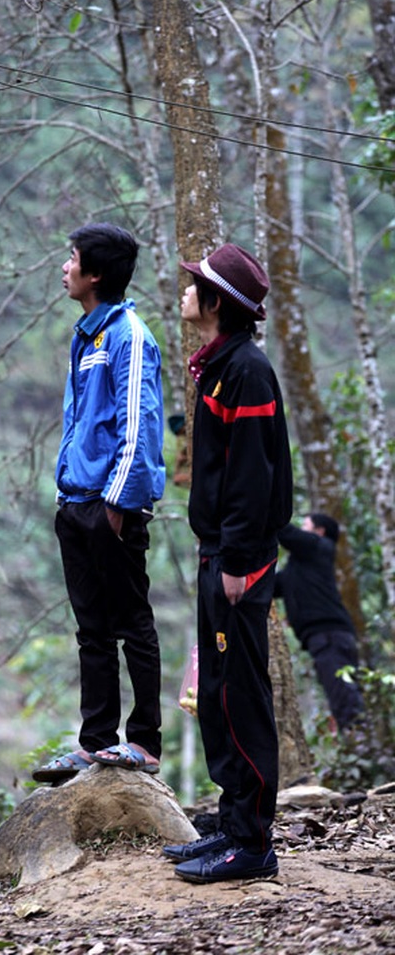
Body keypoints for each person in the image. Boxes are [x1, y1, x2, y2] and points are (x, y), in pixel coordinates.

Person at [162, 243, 292, 883]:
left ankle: (252, 843)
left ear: (216, 303)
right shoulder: (217, 366)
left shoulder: (246, 371)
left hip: (239, 561)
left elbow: (253, 476)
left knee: (240, 695)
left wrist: (238, 560)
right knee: (215, 692)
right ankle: (232, 821)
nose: (185, 292)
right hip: (219, 551)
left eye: (194, 286)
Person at [32, 222, 166, 784]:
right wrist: (73, 498)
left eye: (71, 259)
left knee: (131, 621)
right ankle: (95, 742)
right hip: (76, 503)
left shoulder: (129, 335)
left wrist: (116, 502)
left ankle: (144, 742)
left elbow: (140, 425)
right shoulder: (86, 335)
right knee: (91, 629)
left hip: (110, 507)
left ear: (95, 274)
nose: (64, 268)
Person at [275, 513, 364, 732]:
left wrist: (258, 507)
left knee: (345, 700)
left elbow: (286, 533)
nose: (301, 530)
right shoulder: (297, 569)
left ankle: (362, 749)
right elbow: (271, 584)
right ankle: (359, 747)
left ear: (319, 531)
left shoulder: (320, 547)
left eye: (304, 526)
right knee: (341, 698)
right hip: (323, 640)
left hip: (330, 637)